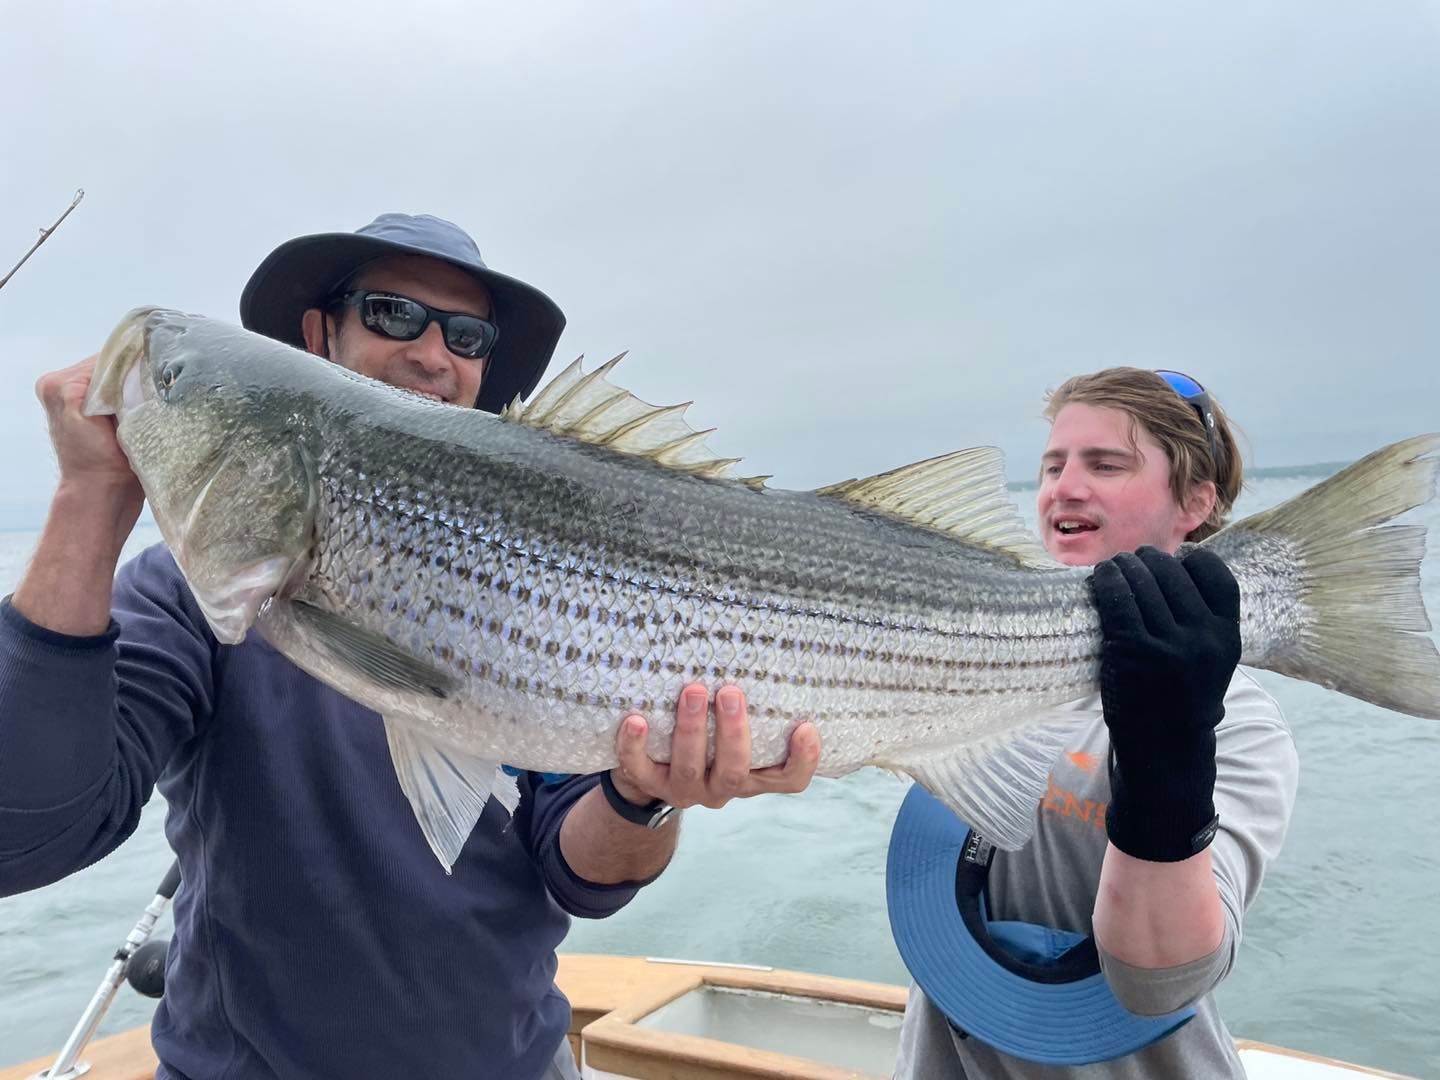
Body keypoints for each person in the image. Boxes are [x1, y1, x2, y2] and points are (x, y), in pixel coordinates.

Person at [0, 213, 821, 1080]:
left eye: (468, 335)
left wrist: (646, 796)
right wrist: (90, 495)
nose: (436, 353)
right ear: (320, 334)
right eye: (395, 314)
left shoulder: (565, 579)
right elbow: (26, 840)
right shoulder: (183, 595)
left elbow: (584, 875)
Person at [890, 368, 1299, 1078]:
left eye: (1106, 464)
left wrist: (1168, 750)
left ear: (1195, 501)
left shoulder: (1238, 721)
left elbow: (1161, 982)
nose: (1064, 487)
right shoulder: (967, 664)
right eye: (1053, 465)